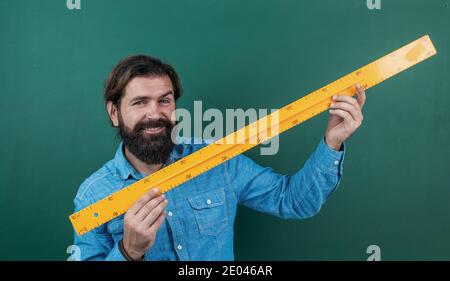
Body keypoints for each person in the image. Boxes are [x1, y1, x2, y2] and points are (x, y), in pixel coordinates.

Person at [73, 55, 366, 261]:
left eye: (165, 100)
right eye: (140, 102)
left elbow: (292, 201)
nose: (155, 114)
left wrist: (332, 142)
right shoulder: (93, 196)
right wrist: (129, 252)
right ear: (114, 113)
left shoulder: (218, 160)